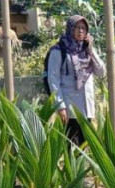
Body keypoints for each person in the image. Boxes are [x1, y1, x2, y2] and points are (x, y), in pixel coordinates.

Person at [45, 15, 106, 147]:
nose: (81, 31)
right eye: (77, 27)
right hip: (70, 109)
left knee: (84, 149)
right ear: (70, 28)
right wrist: (60, 106)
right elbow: (53, 80)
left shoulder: (87, 50)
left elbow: (101, 72)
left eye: (84, 28)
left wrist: (91, 50)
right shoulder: (59, 50)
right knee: (72, 149)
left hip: (87, 109)